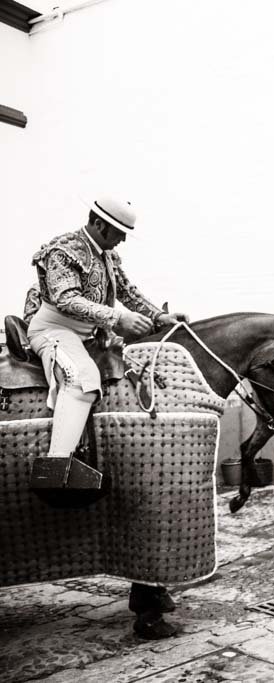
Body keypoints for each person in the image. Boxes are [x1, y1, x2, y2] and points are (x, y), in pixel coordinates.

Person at [27, 196, 188, 491]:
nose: (123, 239)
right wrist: (117, 318)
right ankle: (53, 471)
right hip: (54, 330)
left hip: (91, 335)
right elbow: (66, 299)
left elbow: (129, 293)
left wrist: (160, 316)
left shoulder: (107, 256)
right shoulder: (62, 249)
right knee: (81, 378)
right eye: (118, 231)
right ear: (99, 224)